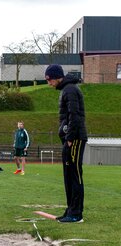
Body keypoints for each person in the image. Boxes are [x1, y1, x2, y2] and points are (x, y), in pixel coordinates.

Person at [45, 64, 87, 223]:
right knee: (68, 176)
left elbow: (74, 116)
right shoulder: (66, 90)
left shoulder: (70, 90)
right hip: (69, 139)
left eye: (49, 79)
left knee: (75, 176)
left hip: (75, 139)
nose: (48, 83)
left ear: (56, 76)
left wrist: (69, 139)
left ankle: (76, 214)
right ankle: (70, 210)